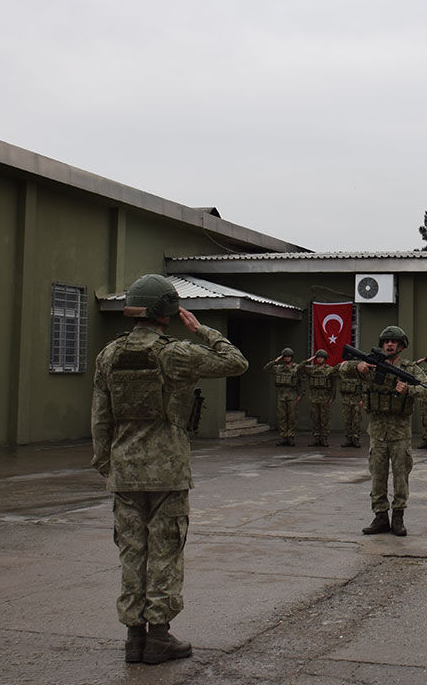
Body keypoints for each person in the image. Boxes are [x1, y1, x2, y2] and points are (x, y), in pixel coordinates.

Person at [91, 273, 247, 665]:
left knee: (132, 553)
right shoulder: (176, 353)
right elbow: (237, 362)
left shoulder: (109, 355)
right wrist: (201, 329)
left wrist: (107, 463)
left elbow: (100, 417)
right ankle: (158, 637)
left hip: (125, 472)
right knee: (164, 550)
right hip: (167, 471)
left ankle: (134, 638)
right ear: (167, 311)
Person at [352, 326, 427, 537]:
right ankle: (380, 517)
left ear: (401, 346)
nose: (389, 344)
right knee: (377, 476)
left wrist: (409, 390)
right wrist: (358, 366)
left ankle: (398, 518)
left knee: (400, 477)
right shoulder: (371, 364)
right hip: (377, 432)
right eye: (386, 341)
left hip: (399, 433)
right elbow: (342, 369)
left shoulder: (409, 368)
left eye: (393, 342)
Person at [262, 348, 301, 446]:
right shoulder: (278, 368)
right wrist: (275, 361)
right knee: (281, 416)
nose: (287, 358)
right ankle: (283, 437)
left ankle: (290, 436)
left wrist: (300, 394)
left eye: (288, 357)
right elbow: (266, 368)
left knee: (292, 417)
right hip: (281, 394)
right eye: (285, 357)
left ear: (291, 358)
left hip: (292, 394)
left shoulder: (296, 367)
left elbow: (301, 381)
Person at [300, 349, 336, 447]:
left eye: (321, 357)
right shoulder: (312, 369)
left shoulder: (329, 370)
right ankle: (316, 438)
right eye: (318, 357)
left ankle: (323, 438)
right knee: (315, 418)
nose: (319, 359)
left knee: (324, 419)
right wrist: (308, 361)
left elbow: (333, 385)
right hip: (314, 398)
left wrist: (332, 398)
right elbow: (299, 369)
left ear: (325, 359)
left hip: (325, 397)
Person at [336, 359, 364, 448]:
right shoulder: (343, 374)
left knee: (356, 420)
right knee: (347, 420)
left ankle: (356, 439)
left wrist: (362, 399)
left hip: (356, 400)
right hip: (346, 400)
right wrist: (341, 364)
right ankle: (348, 439)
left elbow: (365, 386)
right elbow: (331, 372)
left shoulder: (360, 374)